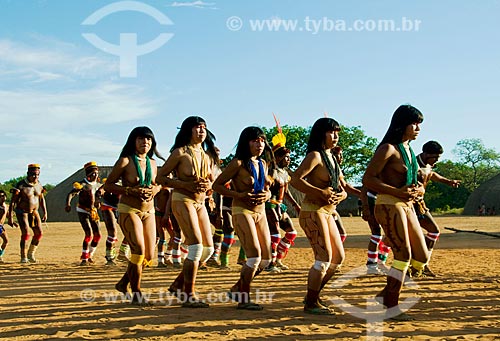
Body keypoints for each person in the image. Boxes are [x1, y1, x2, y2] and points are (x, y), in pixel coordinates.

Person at [362, 104, 429, 321]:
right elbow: (368, 179)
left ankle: (384, 296)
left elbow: (415, 181)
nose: (418, 128)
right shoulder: (388, 149)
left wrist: (419, 189)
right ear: (402, 125)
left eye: (420, 124)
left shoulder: (410, 151)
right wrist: (397, 192)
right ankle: (391, 304)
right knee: (403, 255)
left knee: (422, 256)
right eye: (414, 123)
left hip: (407, 205)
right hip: (389, 204)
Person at [157, 116, 219, 308]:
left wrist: (209, 188)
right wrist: (184, 184)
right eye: (197, 127)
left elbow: (211, 181)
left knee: (208, 250)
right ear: (188, 130)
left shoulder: (208, 156)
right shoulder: (179, 152)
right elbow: (160, 177)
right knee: (196, 247)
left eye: (204, 127)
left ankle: (177, 284)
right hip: (182, 199)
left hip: (201, 202)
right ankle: (188, 294)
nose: (201, 131)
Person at [290, 117, 347, 315]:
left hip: (328, 212)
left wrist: (342, 195)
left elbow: (344, 187)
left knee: (337, 258)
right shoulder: (315, 156)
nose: (335, 136)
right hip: (313, 211)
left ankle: (313, 295)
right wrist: (319, 192)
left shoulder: (332, 158)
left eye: (337, 132)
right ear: (321, 134)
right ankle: (311, 303)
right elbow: (295, 180)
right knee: (323, 258)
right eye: (331, 132)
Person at [213, 126, 273, 310]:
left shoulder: (263, 164)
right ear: (246, 142)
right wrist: (239, 195)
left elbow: (268, 189)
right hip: (242, 211)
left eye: (262, 140)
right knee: (254, 255)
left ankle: (238, 288)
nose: (260, 144)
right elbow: (217, 185)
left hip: (260, 212)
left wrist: (267, 195)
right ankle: (243, 298)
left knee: (266, 260)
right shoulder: (238, 163)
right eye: (255, 140)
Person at [104, 126, 163, 305]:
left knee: (149, 256)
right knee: (137, 250)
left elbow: (159, 184)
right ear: (133, 141)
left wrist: (155, 189)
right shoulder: (125, 161)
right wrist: (129, 190)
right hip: (129, 209)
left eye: (148, 140)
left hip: (149, 211)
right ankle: (137, 293)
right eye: (140, 139)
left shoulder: (153, 163)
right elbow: (108, 185)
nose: (145, 142)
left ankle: (123, 283)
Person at [412, 140, 461, 277]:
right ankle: (379, 259)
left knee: (434, 231)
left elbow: (432, 175)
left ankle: (423, 264)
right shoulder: (412, 165)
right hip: (409, 206)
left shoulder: (427, 166)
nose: (437, 161)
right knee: (407, 237)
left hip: (420, 206)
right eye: (435, 157)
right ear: (426, 154)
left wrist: (448, 182)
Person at [265, 130, 300, 271]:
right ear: (278, 158)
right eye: (286, 157)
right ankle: (270, 264)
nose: (289, 159)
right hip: (269, 206)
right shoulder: (271, 172)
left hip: (280, 206)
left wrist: (295, 205)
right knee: (275, 235)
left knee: (291, 233)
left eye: (289, 157)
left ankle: (278, 259)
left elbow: (285, 191)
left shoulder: (285, 173)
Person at [8, 164, 47, 263]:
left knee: (39, 233)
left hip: (34, 212)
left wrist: (45, 212)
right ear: (28, 174)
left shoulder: (39, 185)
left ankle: (31, 254)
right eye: (33, 174)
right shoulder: (21, 185)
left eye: (37, 175)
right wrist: (10, 217)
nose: (36, 177)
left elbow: (42, 199)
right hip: (22, 212)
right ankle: (23, 256)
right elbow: (13, 202)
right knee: (26, 233)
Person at [65, 161, 102, 265]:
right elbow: (71, 194)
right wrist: (68, 204)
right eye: (93, 173)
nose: (95, 175)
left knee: (98, 235)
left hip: (93, 212)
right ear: (88, 174)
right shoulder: (82, 184)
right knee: (88, 234)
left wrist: (98, 202)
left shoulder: (98, 185)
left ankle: (90, 254)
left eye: (97, 173)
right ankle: (84, 258)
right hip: (83, 211)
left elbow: (100, 195)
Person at [331, 146, 361, 244]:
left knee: (342, 234)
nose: (341, 157)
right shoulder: (326, 169)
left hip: (332, 209)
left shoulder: (337, 170)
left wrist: (361, 194)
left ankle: (333, 252)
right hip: (323, 208)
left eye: (341, 155)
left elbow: (345, 186)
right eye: (338, 155)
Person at [98, 180, 120, 265]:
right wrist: (98, 198)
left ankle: (123, 251)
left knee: (131, 230)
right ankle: (110, 257)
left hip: (121, 207)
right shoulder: (110, 182)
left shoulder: (128, 180)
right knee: (112, 232)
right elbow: (101, 190)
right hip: (108, 206)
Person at [0, 190, 9, 262]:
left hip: (1, 226)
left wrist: (12, 221)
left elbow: (7, 214)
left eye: (3, 195)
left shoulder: (6, 206)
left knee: (6, 241)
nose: (2, 197)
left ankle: (0, 255)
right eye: (0, 196)